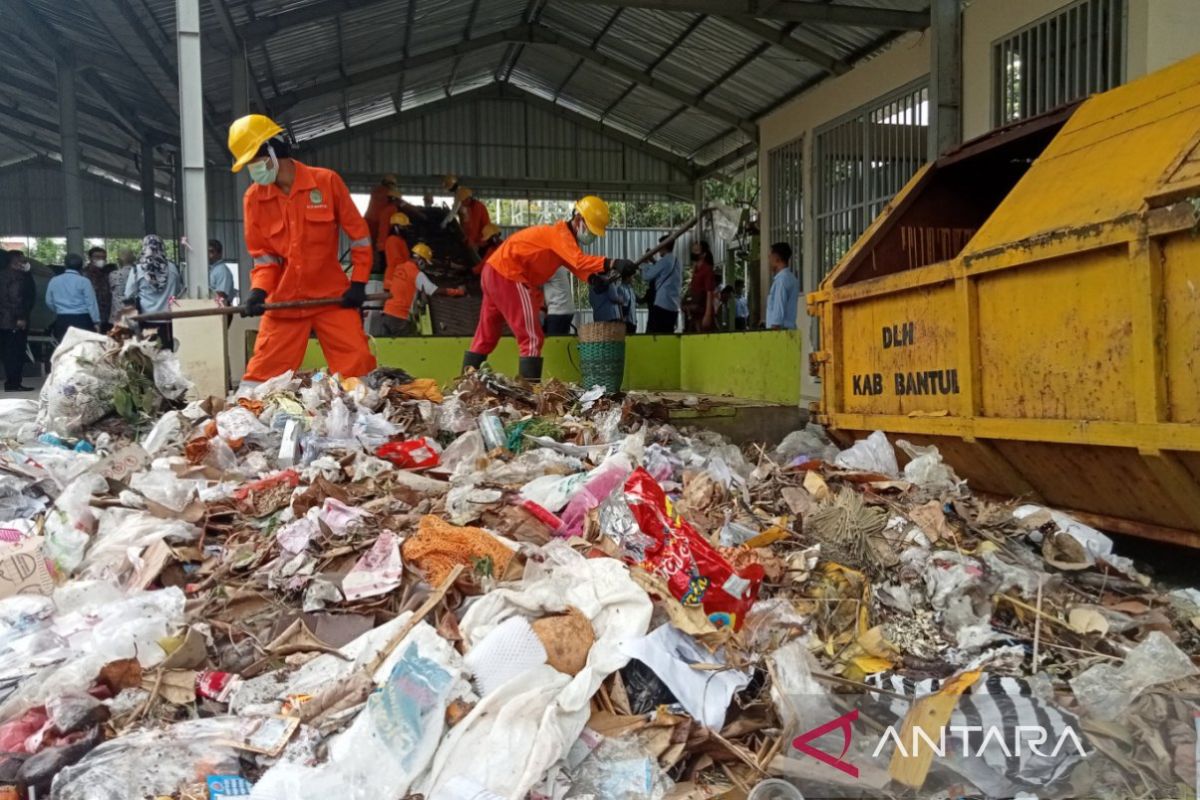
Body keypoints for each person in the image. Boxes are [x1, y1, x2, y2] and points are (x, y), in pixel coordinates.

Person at [228, 113, 376, 385]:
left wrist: (358, 283)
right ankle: (243, 424)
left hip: (331, 298)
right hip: (284, 302)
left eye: (253, 160)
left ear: (273, 150)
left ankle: (365, 423)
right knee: (259, 381)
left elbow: (360, 238)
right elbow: (263, 257)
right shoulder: (254, 199)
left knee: (358, 373)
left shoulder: (327, 182)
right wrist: (258, 291)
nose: (252, 169)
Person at [462, 195, 636, 382]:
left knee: (486, 336)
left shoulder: (562, 240)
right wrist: (613, 263)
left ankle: (465, 385)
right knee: (532, 338)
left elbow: (574, 265)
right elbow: (577, 260)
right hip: (509, 274)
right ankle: (528, 394)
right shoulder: (560, 235)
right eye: (592, 231)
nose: (592, 236)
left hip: (493, 272)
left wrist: (592, 278)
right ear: (578, 220)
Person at [380, 243, 463, 337]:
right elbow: (434, 290)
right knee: (405, 348)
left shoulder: (400, 267)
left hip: (386, 313)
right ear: (420, 260)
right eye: (425, 262)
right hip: (400, 318)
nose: (425, 266)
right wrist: (458, 291)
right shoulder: (417, 274)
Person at [123, 234, 185, 348]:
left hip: (146, 320)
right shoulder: (172, 268)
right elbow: (179, 291)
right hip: (169, 320)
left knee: (149, 354)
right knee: (168, 354)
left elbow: (128, 295)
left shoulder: (137, 270)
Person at [0, 251, 35, 391]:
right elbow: (15, 299)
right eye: (22, 260)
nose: (25, 263)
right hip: (13, 321)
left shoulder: (3, 275)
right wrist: (20, 317)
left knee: (9, 352)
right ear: (15, 261)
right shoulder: (15, 277)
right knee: (15, 353)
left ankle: (12, 382)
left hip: (5, 320)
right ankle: (14, 383)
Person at [46, 253, 100, 340]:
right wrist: (96, 321)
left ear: (65, 265)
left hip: (62, 319)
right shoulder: (84, 281)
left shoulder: (54, 280)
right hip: (82, 319)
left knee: (65, 349)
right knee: (82, 349)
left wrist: (59, 310)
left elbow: (49, 301)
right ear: (81, 266)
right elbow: (91, 303)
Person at [642, 236, 681, 334]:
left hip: (662, 304)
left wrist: (645, 263)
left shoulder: (665, 261)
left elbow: (647, 276)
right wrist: (653, 261)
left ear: (664, 246)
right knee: (668, 334)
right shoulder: (676, 261)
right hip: (674, 306)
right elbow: (663, 271)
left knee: (658, 334)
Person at [765, 242, 800, 330]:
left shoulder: (781, 280)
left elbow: (778, 312)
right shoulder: (791, 278)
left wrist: (774, 328)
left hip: (780, 332)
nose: (768, 260)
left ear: (777, 258)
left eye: (770, 256)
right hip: (789, 330)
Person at [684, 243, 717, 332]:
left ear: (703, 254)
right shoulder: (695, 270)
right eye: (693, 250)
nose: (693, 253)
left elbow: (709, 292)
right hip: (694, 312)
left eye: (696, 250)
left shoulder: (707, 269)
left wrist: (708, 314)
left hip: (703, 310)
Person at [84, 246, 113, 333]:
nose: (101, 260)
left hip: (106, 316)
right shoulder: (84, 274)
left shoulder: (107, 274)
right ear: (90, 258)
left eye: (103, 257)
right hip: (89, 316)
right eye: (97, 257)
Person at [364, 173, 398, 247]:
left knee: (368, 247)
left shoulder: (376, 191)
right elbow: (401, 203)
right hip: (378, 223)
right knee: (377, 245)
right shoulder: (390, 193)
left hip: (367, 222)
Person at [542, 266, 575, 336]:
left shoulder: (550, 267)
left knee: (553, 341)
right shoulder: (558, 265)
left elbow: (533, 279)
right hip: (564, 309)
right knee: (561, 339)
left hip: (559, 310)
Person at [108, 248, 135, 329]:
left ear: (119, 260)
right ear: (133, 259)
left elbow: (111, 291)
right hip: (135, 313)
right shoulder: (139, 274)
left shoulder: (113, 274)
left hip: (118, 313)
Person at [382, 213, 411, 280]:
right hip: (394, 278)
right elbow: (397, 261)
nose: (406, 229)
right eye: (403, 226)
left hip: (400, 276)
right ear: (396, 227)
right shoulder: (392, 240)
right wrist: (413, 264)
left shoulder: (400, 240)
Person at [207, 239, 237, 304]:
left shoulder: (222, 271)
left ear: (219, 254)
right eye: (207, 252)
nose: (208, 255)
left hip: (221, 311)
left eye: (211, 252)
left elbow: (221, 295)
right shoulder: (212, 270)